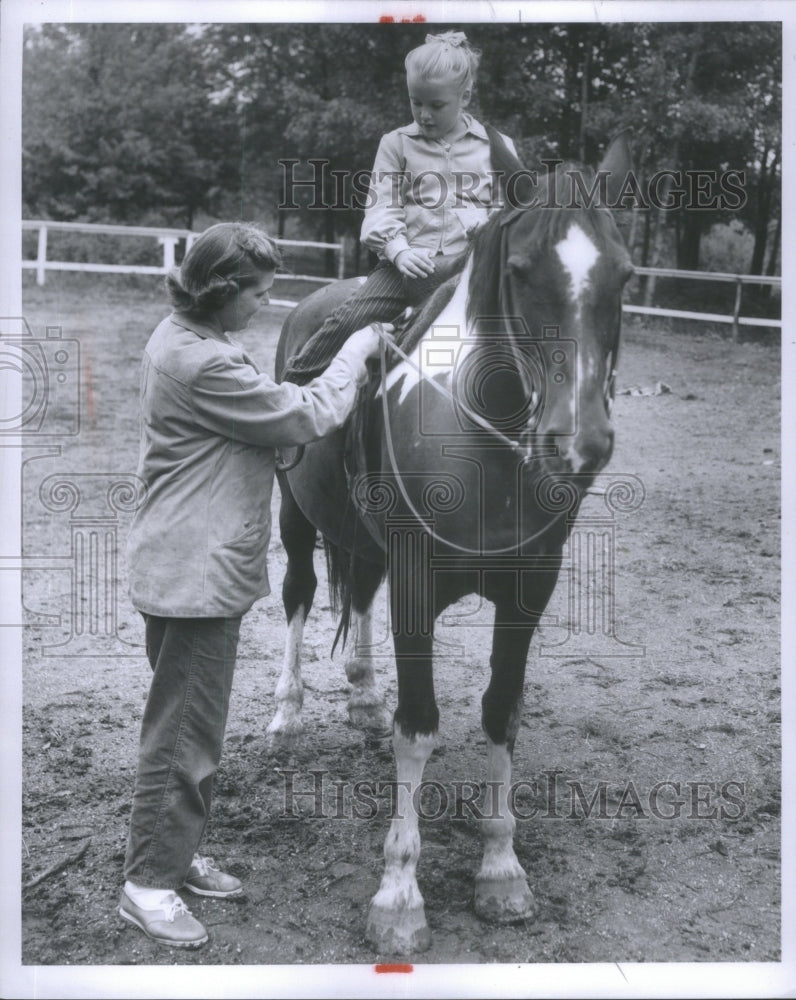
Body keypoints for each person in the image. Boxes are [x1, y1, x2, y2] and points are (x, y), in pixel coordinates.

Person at [119, 222, 380, 949]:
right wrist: (357, 350)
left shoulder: (186, 339)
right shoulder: (205, 365)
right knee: (183, 736)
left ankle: (171, 854)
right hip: (196, 573)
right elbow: (306, 414)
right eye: (260, 293)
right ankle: (147, 885)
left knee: (185, 727)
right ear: (222, 291)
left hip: (178, 560)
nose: (268, 305)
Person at [282, 29, 519, 385]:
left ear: (465, 96)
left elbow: (513, 212)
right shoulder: (396, 144)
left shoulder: (497, 146)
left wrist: (487, 226)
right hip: (404, 272)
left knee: (521, 329)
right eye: (415, 102)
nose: (423, 114)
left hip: (470, 272)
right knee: (343, 321)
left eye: (436, 105)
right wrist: (399, 250)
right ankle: (289, 390)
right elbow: (381, 205)